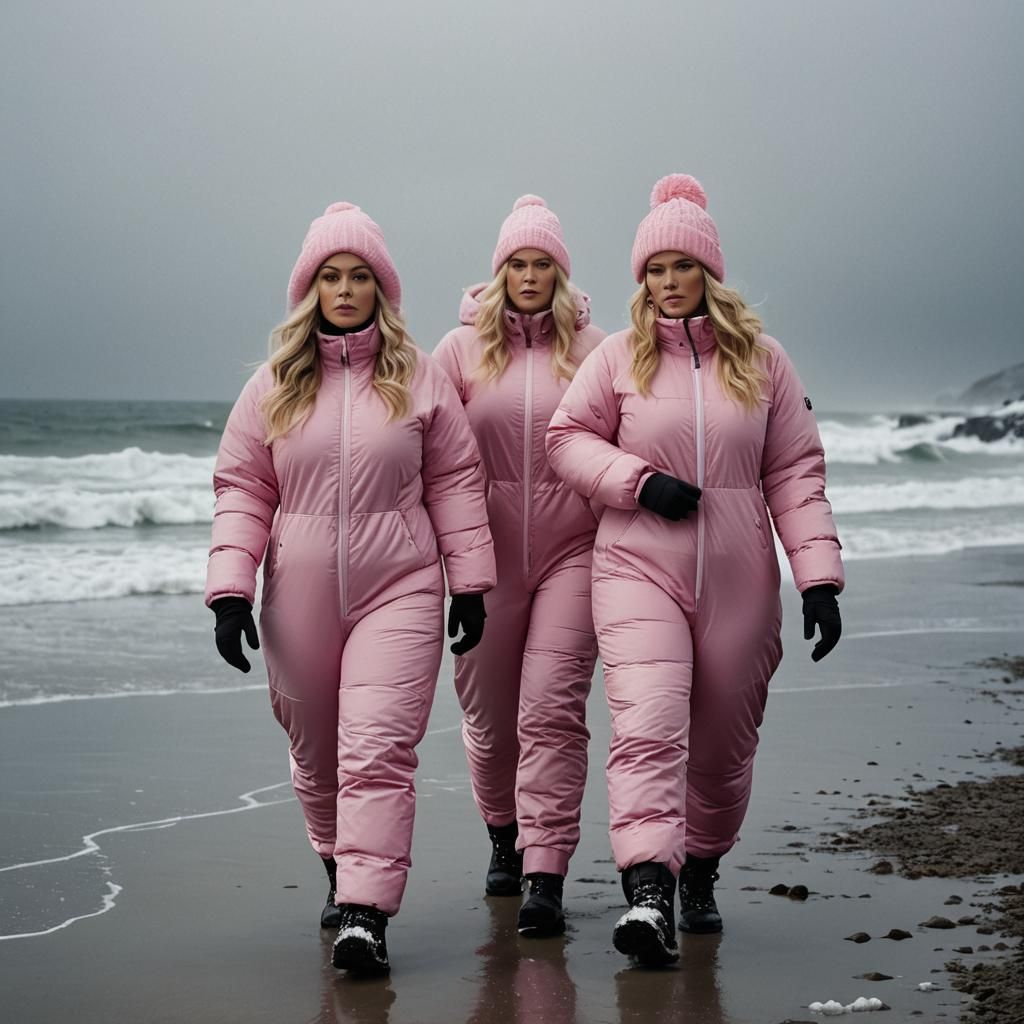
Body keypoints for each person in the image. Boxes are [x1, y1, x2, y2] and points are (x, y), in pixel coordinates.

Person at [546, 174, 843, 966]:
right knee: (647, 721)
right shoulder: (616, 357)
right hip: (638, 565)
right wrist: (638, 482)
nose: (667, 282)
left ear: (708, 272)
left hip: (740, 577)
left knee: (721, 747)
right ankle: (648, 893)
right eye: (653, 269)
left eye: (681, 266)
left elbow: (795, 472)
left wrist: (817, 577)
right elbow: (566, 439)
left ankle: (700, 871)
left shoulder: (765, 361)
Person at [205, 200, 496, 974]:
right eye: (329, 277)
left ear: (380, 289)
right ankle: (339, 866)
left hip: (398, 583)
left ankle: (366, 913)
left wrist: (468, 585)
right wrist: (231, 592)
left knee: (377, 747)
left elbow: (457, 482)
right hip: (297, 591)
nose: (343, 289)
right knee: (315, 748)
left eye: (358, 276)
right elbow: (241, 489)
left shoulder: (419, 379)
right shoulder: (271, 387)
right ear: (309, 291)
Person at [433, 196, 605, 936]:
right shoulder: (457, 351)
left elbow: (652, 412)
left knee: (552, 713)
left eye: (542, 264)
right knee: (490, 718)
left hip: (577, 551)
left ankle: (545, 871)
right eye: (517, 264)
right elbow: (425, 446)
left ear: (560, 275)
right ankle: (503, 834)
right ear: (498, 272)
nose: (530, 275)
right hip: (486, 557)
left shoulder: (599, 348)